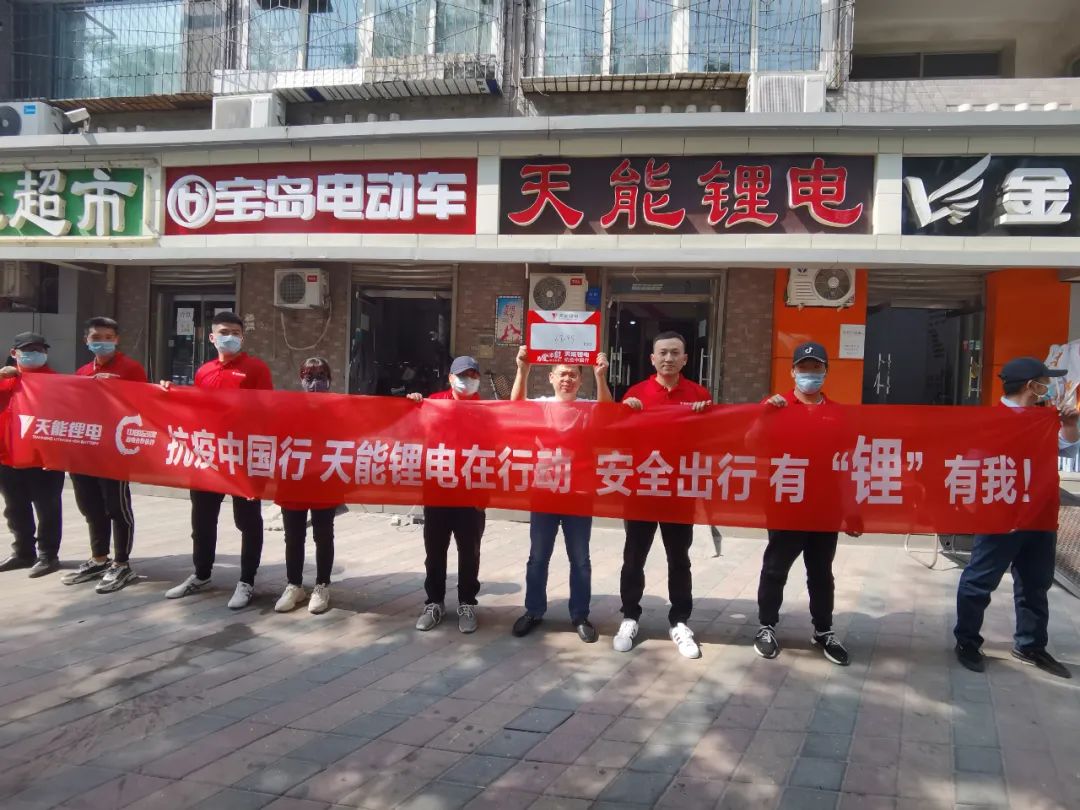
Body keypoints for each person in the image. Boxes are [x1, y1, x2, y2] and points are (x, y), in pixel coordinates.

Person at [954, 357, 1079, 678]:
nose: (1049, 387)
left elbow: (1066, 447)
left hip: (1039, 515)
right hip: (1001, 517)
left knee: (1036, 583)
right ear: (1030, 385)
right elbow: (971, 465)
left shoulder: (1044, 418)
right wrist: (976, 509)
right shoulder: (991, 421)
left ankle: (1031, 645)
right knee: (980, 581)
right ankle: (967, 641)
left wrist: (1068, 424)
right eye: (1044, 382)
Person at [163, 311, 274, 609]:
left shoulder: (255, 369)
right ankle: (201, 574)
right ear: (211, 337)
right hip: (208, 456)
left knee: (247, 521)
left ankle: (246, 581)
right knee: (202, 519)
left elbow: (267, 409)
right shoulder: (204, 371)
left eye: (236, 333)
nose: (230, 337)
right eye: (224, 332)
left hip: (243, 456)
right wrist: (168, 394)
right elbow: (197, 408)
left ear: (243, 337)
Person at [753, 341, 852, 667]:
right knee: (775, 568)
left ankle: (823, 630)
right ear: (793, 371)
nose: (810, 373)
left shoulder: (837, 413)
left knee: (821, 572)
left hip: (825, 506)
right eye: (804, 367)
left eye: (816, 368)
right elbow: (750, 443)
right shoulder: (776, 405)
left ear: (826, 371)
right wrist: (765, 416)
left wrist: (851, 509)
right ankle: (766, 626)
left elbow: (849, 462)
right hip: (786, 501)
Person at [614, 331, 711, 659]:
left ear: (685, 359)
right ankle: (630, 616)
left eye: (675, 353)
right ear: (652, 359)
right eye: (663, 353)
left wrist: (704, 418)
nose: (669, 358)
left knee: (679, 558)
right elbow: (617, 438)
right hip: (641, 488)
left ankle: (680, 621)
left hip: (679, 491)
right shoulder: (636, 393)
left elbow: (711, 441)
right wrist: (624, 413)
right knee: (633, 557)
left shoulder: (699, 395)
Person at [509, 345, 612, 643]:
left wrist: (600, 376)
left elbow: (608, 412)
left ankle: (580, 614)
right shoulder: (541, 405)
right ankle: (533, 611)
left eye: (573, 375)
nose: (567, 379)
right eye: (562, 374)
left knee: (580, 559)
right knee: (538, 557)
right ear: (551, 377)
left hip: (579, 494)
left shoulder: (589, 406)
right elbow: (515, 407)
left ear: (580, 380)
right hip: (545, 493)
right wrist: (523, 369)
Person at [64, 317, 148, 594]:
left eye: (108, 337)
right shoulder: (82, 372)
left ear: (117, 340)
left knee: (117, 507)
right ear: (86, 340)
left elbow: (145, 406)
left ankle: (122, 563)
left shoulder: (130, 369)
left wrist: (116, 390)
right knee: (90, 507)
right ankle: (99, 558)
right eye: (96, 337)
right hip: (84, 450)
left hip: (114, 451)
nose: (102, 342)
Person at [407, 356, 486, 634]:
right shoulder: (434, 402)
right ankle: (434, 602)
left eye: (473, 375)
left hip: (471, 494)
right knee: (435, 551)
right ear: (451, 378)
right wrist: (413, 404)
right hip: (437, 491)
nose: (468, 380)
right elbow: (414, 431)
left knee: (469, 553)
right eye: (463, 375)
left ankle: (467, 603)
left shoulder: (487, 410)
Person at [274, 357, 339, 615]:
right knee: (293, 535)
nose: (315, 383)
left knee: (323, 535)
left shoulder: (339, 409)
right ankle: (294, 585)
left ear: (329, 380)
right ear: (301, 380)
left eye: (321, 377)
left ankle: (322, 585)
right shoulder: (288, 408)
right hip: (294, 479)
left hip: (324, 480)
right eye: (309, 378)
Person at [0, 333, 65, 577]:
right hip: (7, 455)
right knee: (15, 507)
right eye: (27, 350)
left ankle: (48, 555)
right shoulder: (5, 379)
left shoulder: (54, 381)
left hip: (43, 458)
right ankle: (23, 552)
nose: (33, 354)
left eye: (39, 350)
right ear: (14, 353)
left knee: (47, 507)